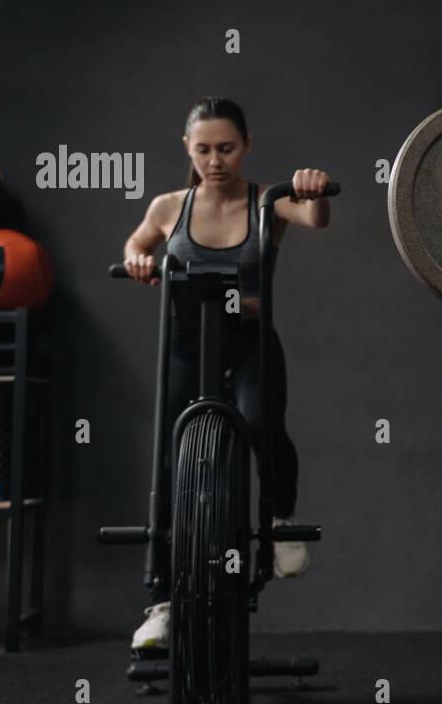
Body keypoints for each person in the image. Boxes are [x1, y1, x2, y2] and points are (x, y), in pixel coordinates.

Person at [120, 96, 334, 651]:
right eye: (204, 149)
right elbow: (137, 244)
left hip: (250, 343)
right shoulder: (169, 206)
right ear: (187, 149)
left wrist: (310, 188)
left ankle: (281, 520)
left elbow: (314, 216)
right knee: (170, 459)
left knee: (262, 422)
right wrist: (142, 260)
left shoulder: (267, 203)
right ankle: (163, 603)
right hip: (187, 346)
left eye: (227, 148)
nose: (215, 159)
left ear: (246, 146)